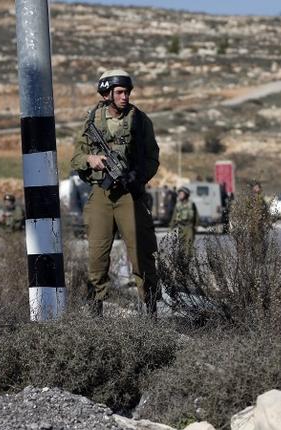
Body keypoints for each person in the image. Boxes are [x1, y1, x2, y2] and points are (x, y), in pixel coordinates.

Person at [70, 69, 160, 315]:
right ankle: (94, 309)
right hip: (101, 193)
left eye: (127, 92)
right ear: (107, 93)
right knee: (97, 255)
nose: (125, 97)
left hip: (130, 194)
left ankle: (150, 309)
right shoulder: (92, 122)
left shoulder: (140, 120)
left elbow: (153, 157)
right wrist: (91, 159)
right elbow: (75, 157)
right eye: (120, 92)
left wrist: (137, 177)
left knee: (141, 253)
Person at [169, 186, 197, 256]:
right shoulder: (178, 205)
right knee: (181, 246)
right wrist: (171, 227)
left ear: (186, 194)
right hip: (181, 227)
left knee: (189, 246)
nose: (180, 195)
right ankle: (182, 263)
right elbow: (174, 217)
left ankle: (187, 262)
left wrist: (195, 226)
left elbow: (196, 216)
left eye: (181, 193)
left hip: (189, 228)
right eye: (179, 194)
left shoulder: (191, 204)